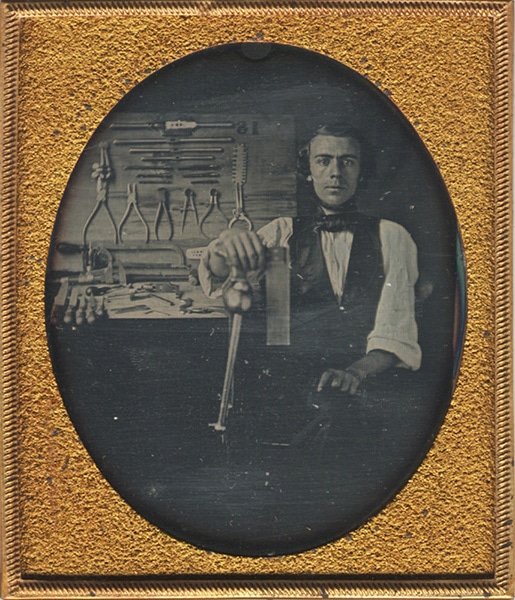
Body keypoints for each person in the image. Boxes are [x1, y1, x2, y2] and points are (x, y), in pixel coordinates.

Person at [200, 123, 421, 410]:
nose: (335, 173)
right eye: (323, 160)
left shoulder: (392, 236)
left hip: (365, 384)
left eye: (348, 162)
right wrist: (224, 245)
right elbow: (222, 276)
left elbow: (396, 331)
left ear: (361, 171)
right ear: (308, 170)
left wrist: (355, 373)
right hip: (286, 385)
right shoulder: (282, 232)